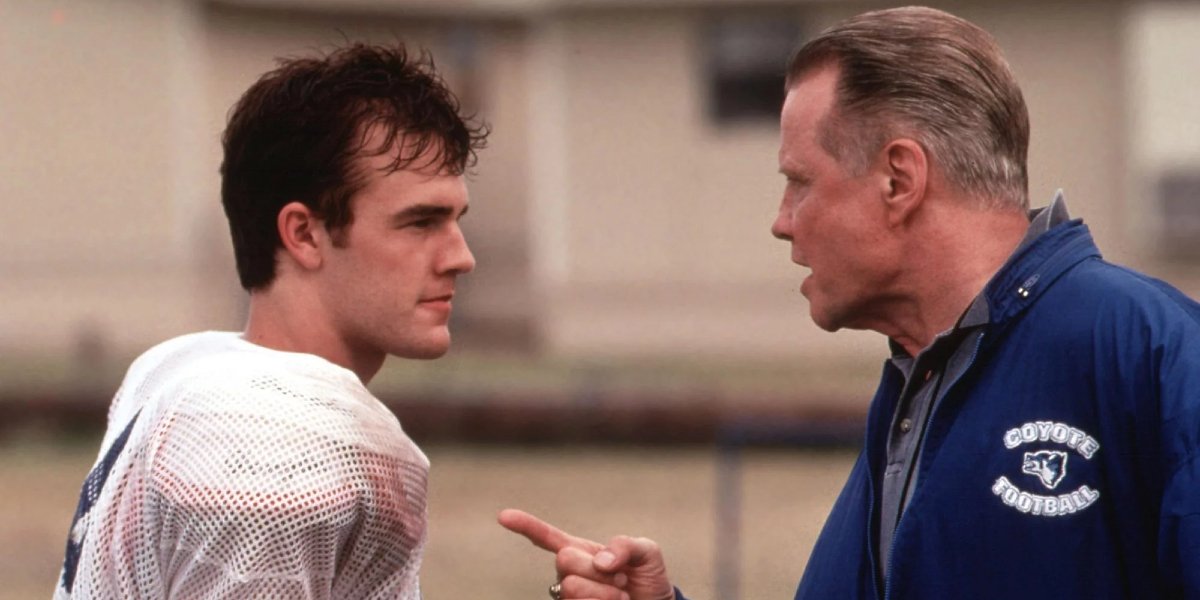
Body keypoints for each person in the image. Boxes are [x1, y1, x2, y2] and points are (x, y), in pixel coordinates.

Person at [500, 6, 1200, 599]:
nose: (782, 219)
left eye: (800, 182)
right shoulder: (917, 381)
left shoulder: (1153, 353)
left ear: (900, 178)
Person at [54, 43, 487, 599]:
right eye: (421, 222)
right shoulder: (278, 436)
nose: (461, 256)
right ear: (304, 234)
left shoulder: (178, 366)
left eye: (455, 219)